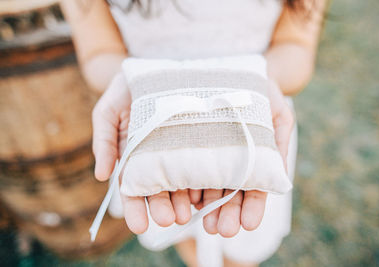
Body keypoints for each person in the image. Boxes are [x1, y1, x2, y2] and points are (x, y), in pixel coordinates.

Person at [61, 0, 326, 266]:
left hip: (251, 126)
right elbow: (99, 52)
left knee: (240, 249)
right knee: (180, 230)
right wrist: (131, 81)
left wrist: (259, 79)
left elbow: (296, 44)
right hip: (152, 129)